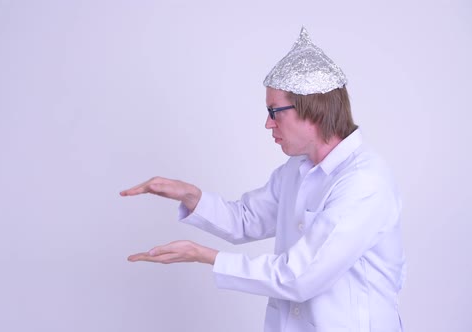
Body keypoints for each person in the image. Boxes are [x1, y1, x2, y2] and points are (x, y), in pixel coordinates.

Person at [120, 27, 406, 332]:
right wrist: (190, 195)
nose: (268, 123)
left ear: (315, 111)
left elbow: (300, 276)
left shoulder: (363, 182)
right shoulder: (296, 168)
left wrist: (205, 256)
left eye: (275, 112)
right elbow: (246, 219)